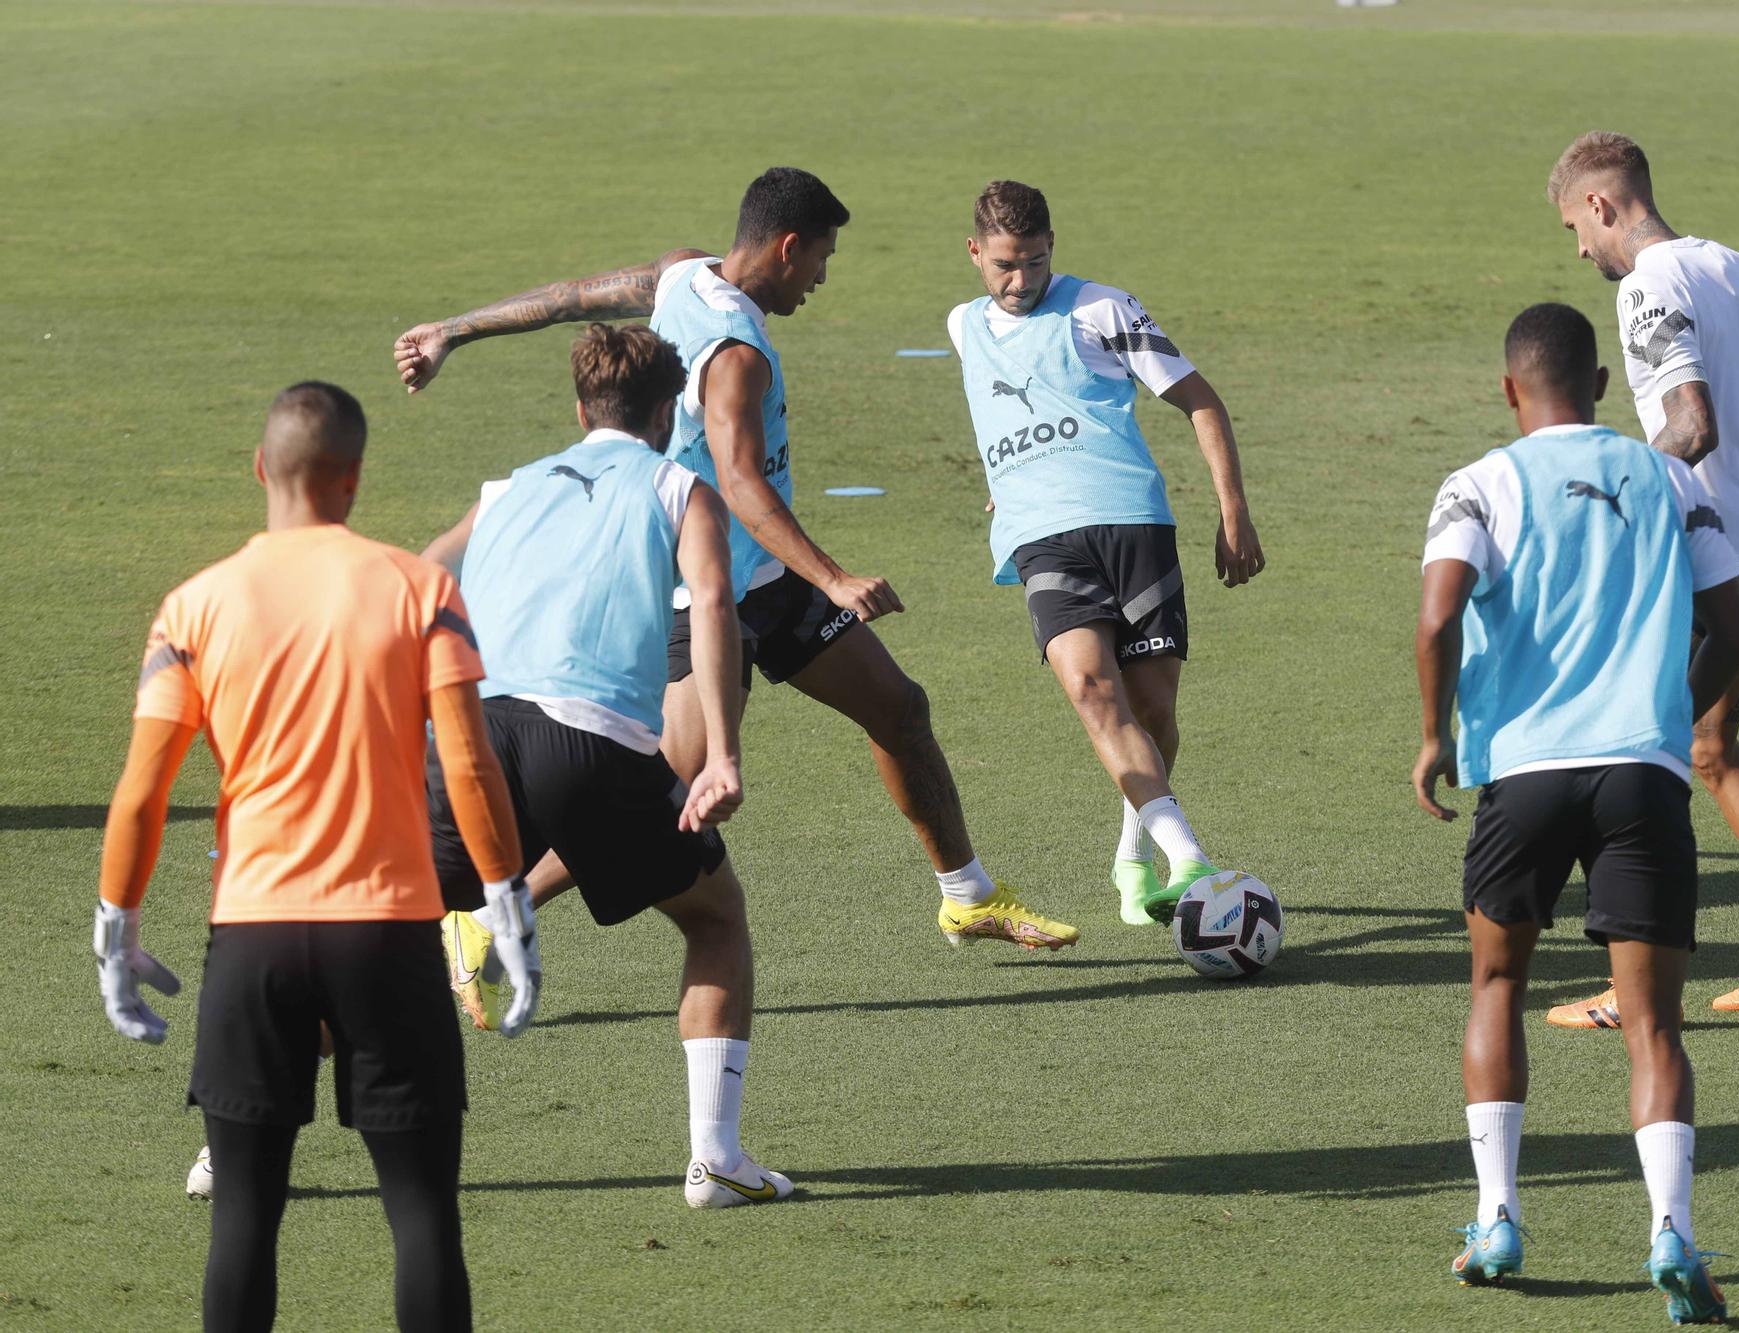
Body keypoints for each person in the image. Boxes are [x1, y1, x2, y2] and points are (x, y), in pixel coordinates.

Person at [394, 167, 1075, 952]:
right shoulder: (738, 355)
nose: (822, 276)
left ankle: (967, 895)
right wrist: (836, 578)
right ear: (788, 248)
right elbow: (743, 483)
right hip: (700, 582)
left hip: (768, 576)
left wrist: (455, 329)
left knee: (900, 710)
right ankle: (485, 918)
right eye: (822, 257)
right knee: (666, 788)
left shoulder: (681, 272)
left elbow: (570, 298)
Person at [92, 382, 537, 1332]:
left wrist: (116, 924)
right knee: (422, 1215)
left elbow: (142, 792)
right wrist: (505, 895)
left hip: (251, 937)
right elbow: (467, 760)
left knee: (245, 1215)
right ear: (355, 479)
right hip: (387, 935)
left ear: (262, 469)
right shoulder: (420, 588)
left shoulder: (194, 604)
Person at [1413, 305, 1739, 1323]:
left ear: (1509, 390)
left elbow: (1435, 616)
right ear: (1601, 384)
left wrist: (1433, 737)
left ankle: (1497, 1216)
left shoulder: (1477, 482)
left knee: (1495, 982)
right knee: (1651, 1024)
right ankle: (1671, 1233)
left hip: (1520, 776)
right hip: (1641, 777)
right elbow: (1728, 627)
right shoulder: (1671, 478)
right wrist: (1659, 714)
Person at [422, 323, 792, 1207]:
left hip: (467, 739)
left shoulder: (505, 489)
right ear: (670, 412)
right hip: (587, 744)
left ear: (579, 407)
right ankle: (715, 1159)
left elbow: (418, 577)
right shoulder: (679, 486)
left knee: (362, 937)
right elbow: (710, 605)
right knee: (714, 919)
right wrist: (724, 756)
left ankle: (231, 1146)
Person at [1544, 132, 1739, 1025]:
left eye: (1574, 227)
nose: (1579, 251)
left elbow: (1692, 423)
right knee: (1707, 745)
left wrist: (1606, 503)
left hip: (1710, 570)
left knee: (1627, 760)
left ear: (1602, 204)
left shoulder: (1647, 287)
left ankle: (1633, 982)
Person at [946, 180, 1266, 926]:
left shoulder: (1102, 309)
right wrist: (1012, 480)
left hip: (1134, 523)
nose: (1019, 281)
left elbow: (1200, 399)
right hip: (1042, 536)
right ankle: (1189, 856)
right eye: (1002, 265)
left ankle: (1133, 859)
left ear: (1053, 245)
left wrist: (1234, 513)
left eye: (1032, 262)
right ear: (973, 253)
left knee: (1152, 709)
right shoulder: (964, 326)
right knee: (1095, 690)